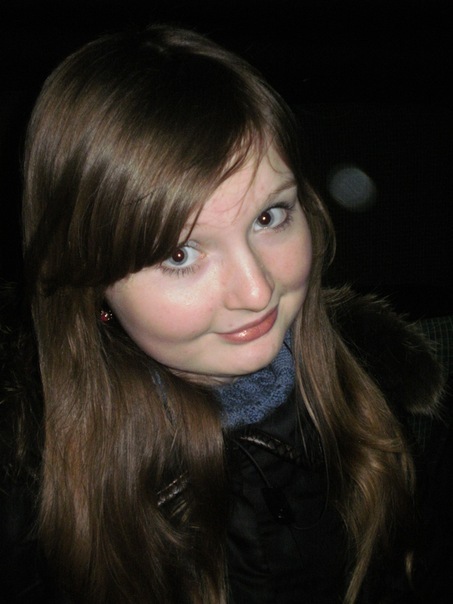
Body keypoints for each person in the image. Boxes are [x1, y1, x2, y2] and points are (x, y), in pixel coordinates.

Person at [0, 24, 452, 604]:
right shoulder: (28, 498)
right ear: (89, 282)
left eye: (268, 217)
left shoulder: (395, 402)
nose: (257, 291)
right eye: (179, 254)